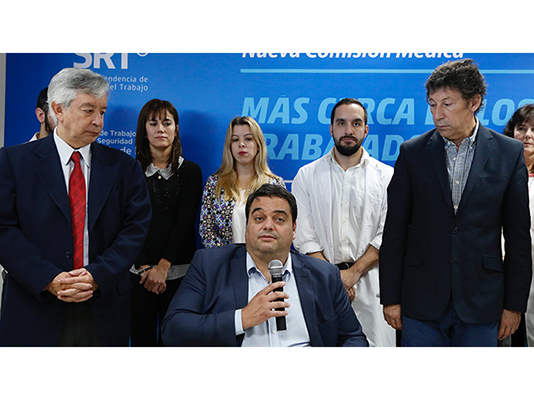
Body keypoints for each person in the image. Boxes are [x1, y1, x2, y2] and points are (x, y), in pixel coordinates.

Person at [379, 59, 532, 347]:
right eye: (432, 104)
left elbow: (518, 238)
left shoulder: (508, 153)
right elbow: (394, 232)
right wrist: (390, 298)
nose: (438, 114)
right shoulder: (412, 153)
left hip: (483, 302)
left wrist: (514, 306)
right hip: (420, 301)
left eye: (447, 104)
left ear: (474, 102)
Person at [0, 68, 152, 346]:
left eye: (102, 112)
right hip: (34, 307)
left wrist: (96, 276)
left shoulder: (125, 168)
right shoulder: (12, 162)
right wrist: (48, 278)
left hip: (103, 308)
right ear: (58, 109)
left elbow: (135, 229)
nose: (98, 121)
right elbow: (3, 230)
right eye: (88, 110)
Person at [161, 184, 368, 347]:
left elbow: (353, 337)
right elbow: (173, 329)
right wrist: (242, 318)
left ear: (294, 229)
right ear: (247, 226)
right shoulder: (209, 265)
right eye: (259, 218)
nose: (268, 225)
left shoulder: (325, 275)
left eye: (279, 219)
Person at [292, 98, 395, 347]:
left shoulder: (387, 177)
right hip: (319, 286)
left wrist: (353, 273)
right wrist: (334, 280)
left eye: (356, 123)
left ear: (365, 130)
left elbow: (388, 234)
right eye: (341, 123)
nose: (348, 130)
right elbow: (304, 236)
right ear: (331, 129)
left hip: (372, 287)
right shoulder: (307, 176)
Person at [130, 99, 203, 346]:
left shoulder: (191, 171)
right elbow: (127, 222)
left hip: (179, 273)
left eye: (167, 123)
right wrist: (144, 267)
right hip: (138, 274)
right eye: (153, 123)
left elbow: (185, 222)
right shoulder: (129, 170)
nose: (161, 129)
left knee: (174, 342)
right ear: (144, 130)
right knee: (140, 341)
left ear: (176, 129)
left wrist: (163, 267)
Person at [199, 116, 284, 247]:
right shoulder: (215, 184)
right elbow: (207, 230)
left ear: (258, 145)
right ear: (229, 146)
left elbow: (281, 228)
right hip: (224, 258)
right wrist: (227, 257)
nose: (241, 144)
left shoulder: (275, 184)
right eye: (235, 139)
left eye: (248, 139)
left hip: (264, 257)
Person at [503, 103, 534, 346]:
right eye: (521, 128)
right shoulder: (497, 173)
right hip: (502, 267)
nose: (527, 135)